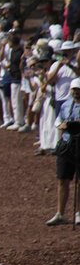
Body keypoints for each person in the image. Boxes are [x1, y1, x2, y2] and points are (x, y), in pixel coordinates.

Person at [49, 80, 80, 225]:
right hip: (67, 144)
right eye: (74, 89)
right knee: (62, 179)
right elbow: (58, 121)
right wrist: (61, 125)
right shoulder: (66, 104)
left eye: (78, 89)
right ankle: (60, 213)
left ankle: (78, 213)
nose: (75, 92)